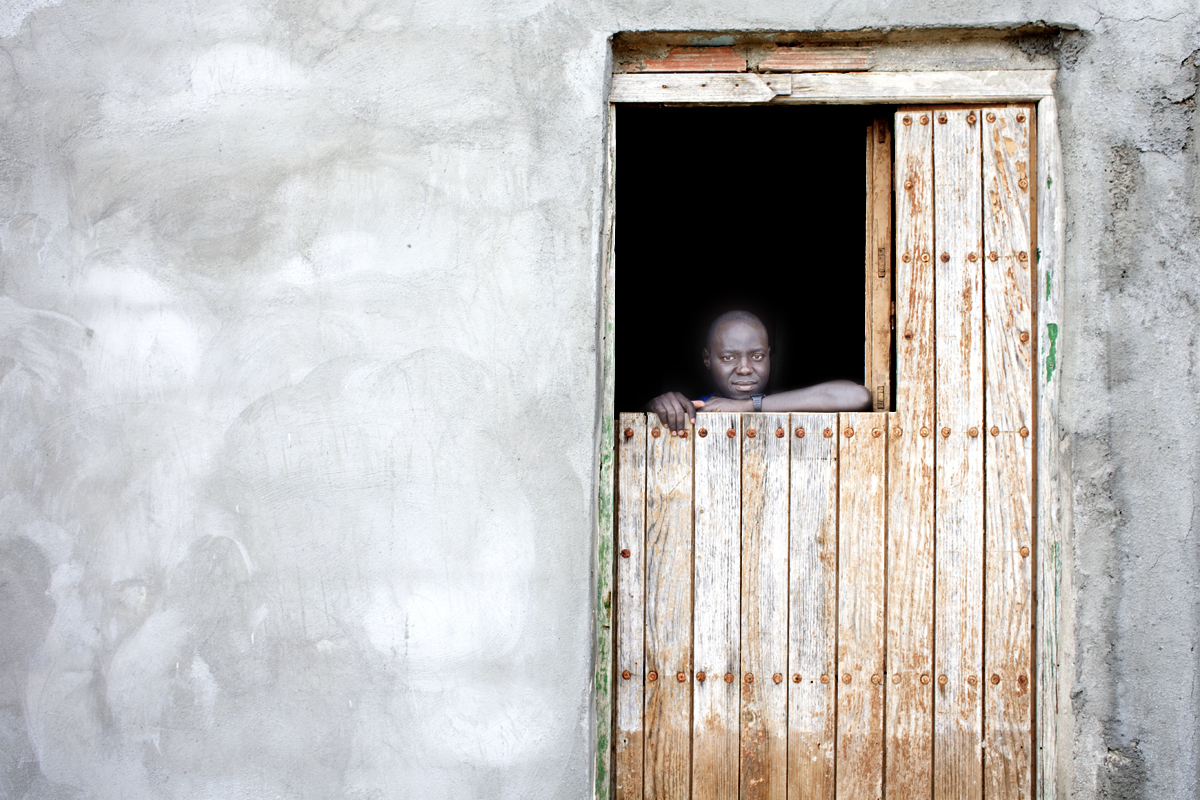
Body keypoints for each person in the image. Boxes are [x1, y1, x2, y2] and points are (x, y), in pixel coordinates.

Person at [647, 310, 873, 434]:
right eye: (728, 357)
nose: (745, 368)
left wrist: (748, 406)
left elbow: (859, 396)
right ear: (707, 359)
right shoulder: (695, 410)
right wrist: (654, 407)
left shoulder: (789, 403)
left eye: (757, 356)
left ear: (769, 355)